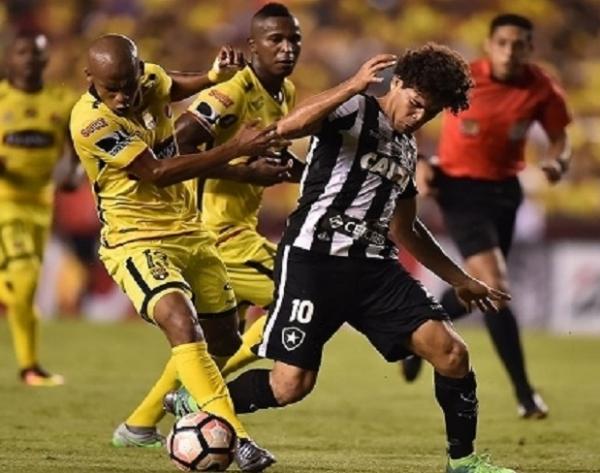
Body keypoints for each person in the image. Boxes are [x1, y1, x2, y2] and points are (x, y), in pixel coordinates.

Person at [185, 44, 518, 473]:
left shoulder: (406, 148)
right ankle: (200, 401)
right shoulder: (355, 108)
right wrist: (352, 85)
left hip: (375, 269)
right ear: (396, 83)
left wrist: (459, 279)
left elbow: (406, 228)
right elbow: (287, 127)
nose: (417, 117)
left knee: (452, 354)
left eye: (429, 113)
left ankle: (464, 462)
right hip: (314, 261)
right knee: (291, 386)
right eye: (415, 104)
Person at [70, 34, 287, 471]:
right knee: (179, 321)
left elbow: (168, 83)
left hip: (191, 233)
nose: (123, 96)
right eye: (111, 87)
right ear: (89, 78)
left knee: (225, 340)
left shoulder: (145, 80)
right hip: (136, 240)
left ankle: (178, 404)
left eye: (129, 84)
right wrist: (237, 150)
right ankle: (238, 439)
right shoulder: (91, 123)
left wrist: (209, 77)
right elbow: (157, 171)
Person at [119, 1, 304, 439]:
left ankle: (139, 425)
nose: (286, 48)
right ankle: (200, 397)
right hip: (219, 233)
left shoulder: (286, 93)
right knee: (302, 296)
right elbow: (176, 151)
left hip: (240, 226)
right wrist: (242, 170)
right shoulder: (231, 92)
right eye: (275, 40)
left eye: (293, 39)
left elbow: (270, 155)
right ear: (252, 45)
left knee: (211, 343)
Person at [401, 14, 571, 420]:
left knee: (481, 289)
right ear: (489, 45)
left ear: (530, 48)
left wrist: (557, 162)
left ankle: (418, 332)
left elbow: (560, 137)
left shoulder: (541, 87)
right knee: (494, 288)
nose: (510, 51)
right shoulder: (465, 79)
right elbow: (415, 112)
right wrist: (422, 161)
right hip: (458, 188)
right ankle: (525, 395)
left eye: (519, 44)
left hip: (505, 193)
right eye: (503, 43)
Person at [0, 32, 81, 387]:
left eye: (37, 54)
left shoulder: (62, 101)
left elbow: (80, 148)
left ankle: (31, 365)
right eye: (22, 53)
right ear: (8, 59)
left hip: (41, 204)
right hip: (4, 203)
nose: (30, 60)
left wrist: (76, 174)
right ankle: (29, 367)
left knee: (24, 287)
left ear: (47, 61)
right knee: (26, 275)